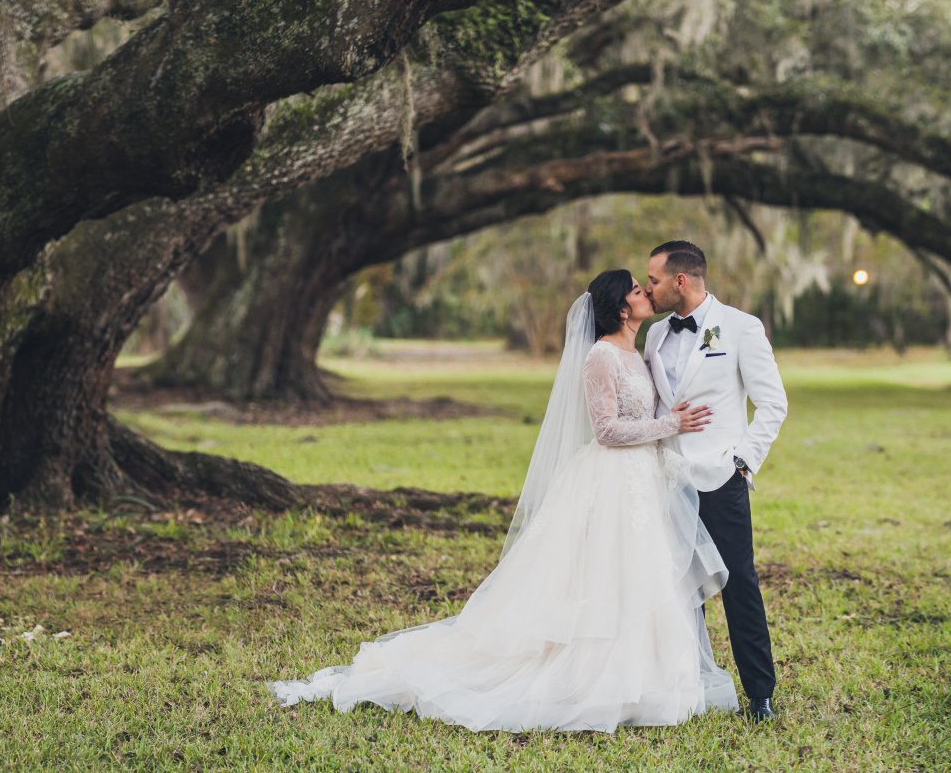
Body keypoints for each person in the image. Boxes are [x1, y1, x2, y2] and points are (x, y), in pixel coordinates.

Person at [268, 270, 738, 732]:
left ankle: (649, 680)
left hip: (643, 483)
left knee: (642, 579)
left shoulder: (638, 353)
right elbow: (606, 430)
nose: (647, 294)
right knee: (602, 579)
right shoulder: (600, 357)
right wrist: (669, 426)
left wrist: (674, 422)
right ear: (620, 307)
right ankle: (591, 679)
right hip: (610, 481)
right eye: (639, 290)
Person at [642, 239, 785, 722]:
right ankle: (688, 686)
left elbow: (773, 404)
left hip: (720, 478)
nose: (648, 288)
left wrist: (742, 462)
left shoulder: (742, 327)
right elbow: (660, 406)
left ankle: (759, 695)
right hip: (668, 479)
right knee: (679, 586)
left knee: (739, 583)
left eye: (655, 280)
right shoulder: (655, 336)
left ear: (680, 281)